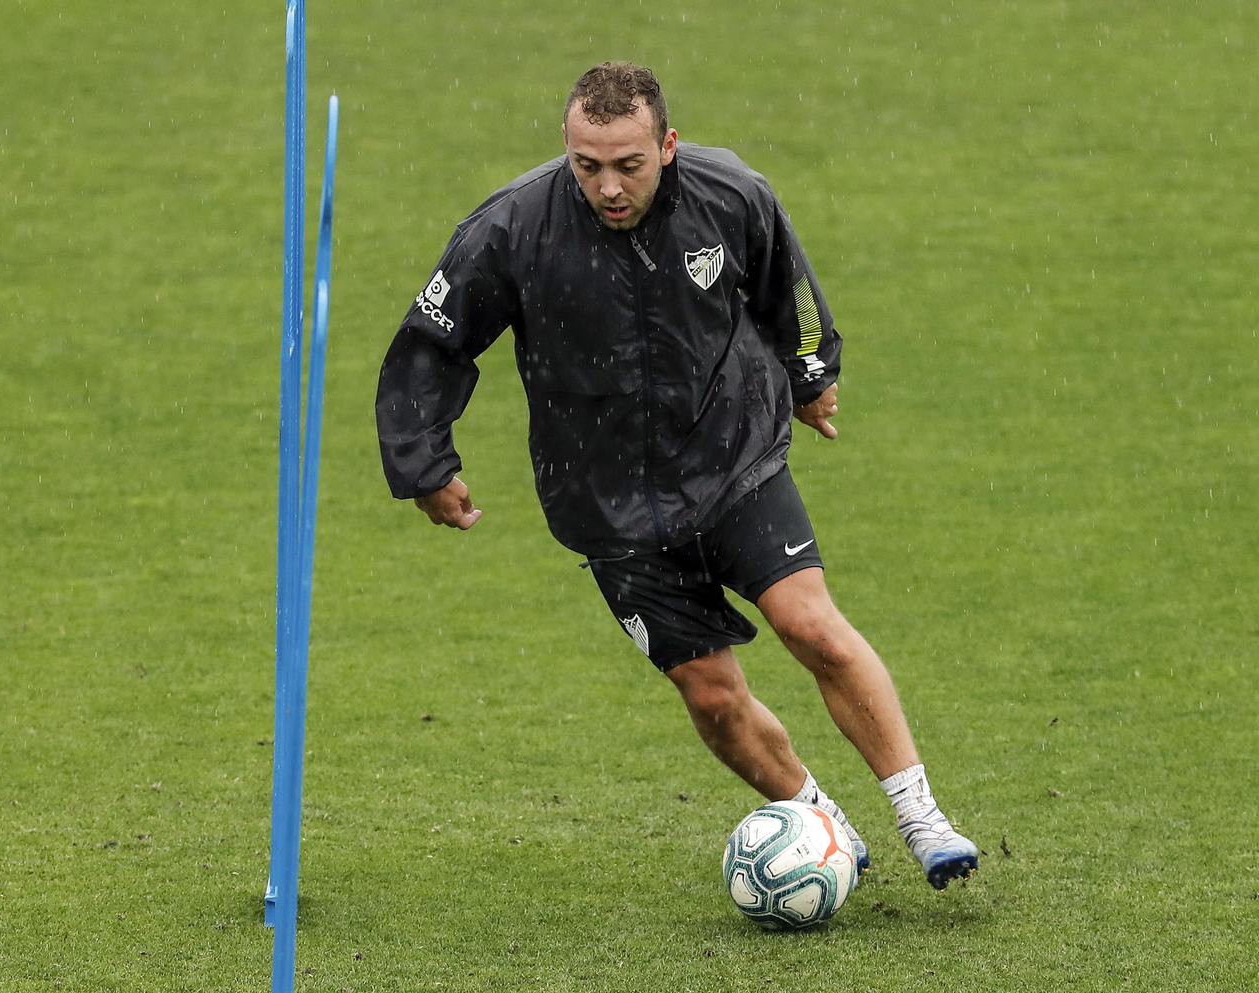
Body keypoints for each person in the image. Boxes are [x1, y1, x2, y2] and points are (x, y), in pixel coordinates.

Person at [375, 61, 977, 889]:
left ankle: (923, 818)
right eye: (588, 166)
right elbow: (433, 339)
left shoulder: (730, 195)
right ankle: (826, 829)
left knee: (810, 624)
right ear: (566, 147)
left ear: (668, 144)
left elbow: (786, 286)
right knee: (712, 694)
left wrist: (809, 374)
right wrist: (424, 462)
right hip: (606, 506)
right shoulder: (513, 228)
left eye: (629, 164)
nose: (608, 187)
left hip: (733, 460)